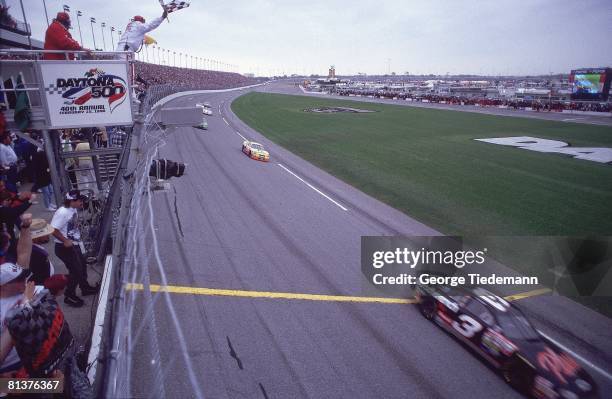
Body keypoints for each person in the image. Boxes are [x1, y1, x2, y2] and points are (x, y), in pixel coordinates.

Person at [51, 190, 98, 308]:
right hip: (64, 247)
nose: (82, 202)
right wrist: (65, 240)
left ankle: (85, 287)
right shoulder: (62, 212)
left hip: (74, 244)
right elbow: (53, 229)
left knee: (82, 266)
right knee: (76, 272)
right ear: (71, 201)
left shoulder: (72, 210)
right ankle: (69, 295)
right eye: (79, 200)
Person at [0, 213, 34, 375]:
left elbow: (24, 254)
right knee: (50, 387)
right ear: (4, 286)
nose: (24, 282)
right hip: (10, 370)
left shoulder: (19, 286)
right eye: (18, 280)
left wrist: (26, 227)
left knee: (56, 387)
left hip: (30, 358)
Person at [29, 218, 55, 285]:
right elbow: (37, 274)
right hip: (40, 287)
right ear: (37, 237)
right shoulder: (34, 253)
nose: (48, 236)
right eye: (45, 234)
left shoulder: (34, 248)